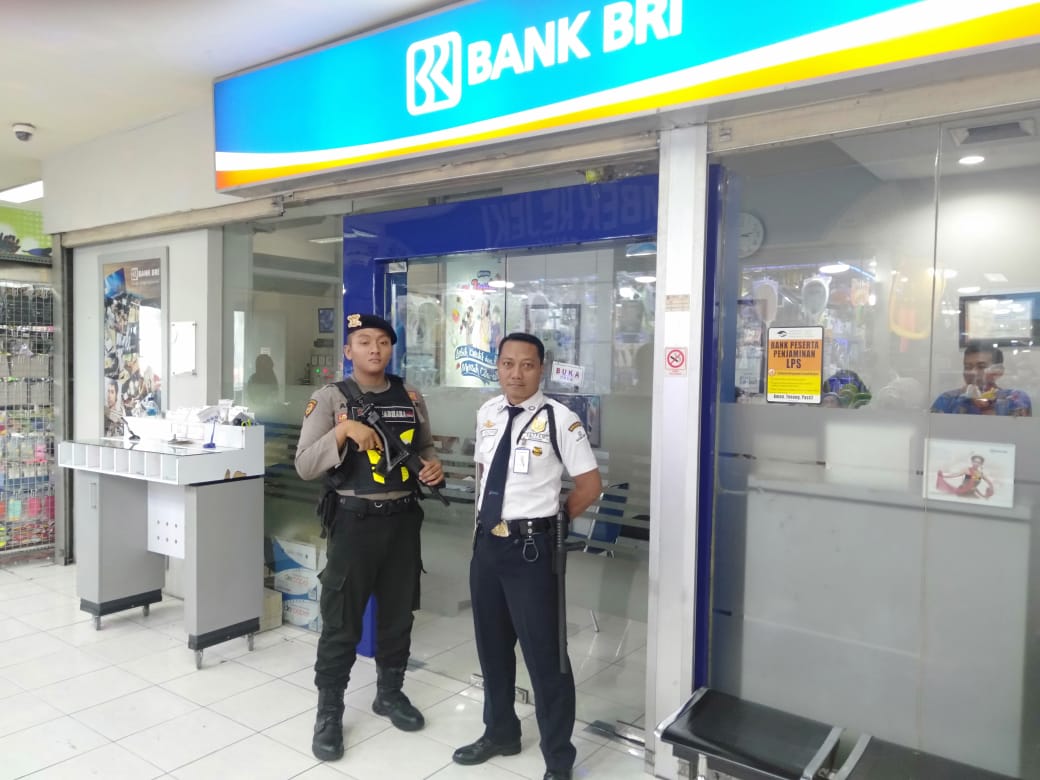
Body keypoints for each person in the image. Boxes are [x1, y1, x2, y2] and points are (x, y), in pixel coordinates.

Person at [294, 313, 444, 762]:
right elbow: (305, 464)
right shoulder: (329, 399)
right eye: (364, 341)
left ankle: (390, 693)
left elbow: (424, 447)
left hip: (402, 521)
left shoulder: (410, 396)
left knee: (398, 615)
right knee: (341, 621)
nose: (374, 349)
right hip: (354, 523)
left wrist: (433, 467)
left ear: (391, 348)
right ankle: (329, 711)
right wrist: (342, 430)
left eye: (382, 341)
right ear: (349, 351)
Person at [452, 332, 602, 780]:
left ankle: (558, 757)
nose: (516, 374)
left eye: (527, 365)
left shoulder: (561, 419)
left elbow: (589, 485)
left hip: (531, 551)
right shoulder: (487, 413)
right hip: (487, 547)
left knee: (546, 657)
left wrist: (553, 523)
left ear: (541, 369)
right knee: (492, 648)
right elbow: (485, 473)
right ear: (497, 366)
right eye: (507, 364)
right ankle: (501, 732)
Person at [930, 341, 1031, 416]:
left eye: (981, 367)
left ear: (998, 371)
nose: (973, 372)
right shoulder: (948, 399)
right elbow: (933, 433)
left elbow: (1018, 433)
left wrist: (984, 405)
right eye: (967, 367)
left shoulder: (1015, 398)